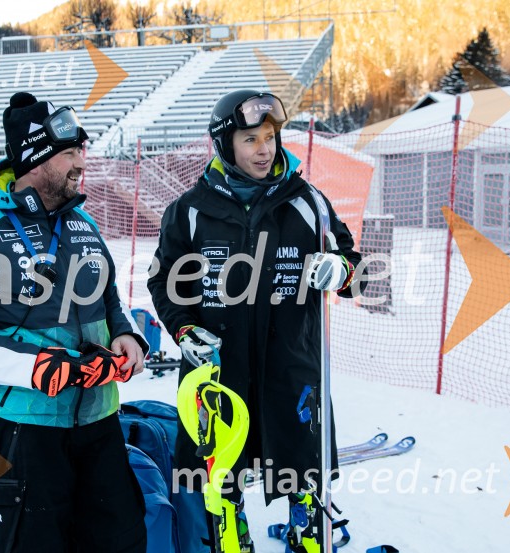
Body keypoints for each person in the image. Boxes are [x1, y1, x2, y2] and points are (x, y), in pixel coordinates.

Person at [0, 92, 148, 553]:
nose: (81, 162)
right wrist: (34, 366)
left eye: (80, 150)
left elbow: (109, 298)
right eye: (69, 153)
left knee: (122, 543)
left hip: (100, 425)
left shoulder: (84, 224)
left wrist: (127, 334)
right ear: (35, 159)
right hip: (25, 431)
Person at [147, 89, 366, 550]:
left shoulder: (308, 202)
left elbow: (353, 265)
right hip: (218, 371)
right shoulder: (190, 211)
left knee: (302, 470)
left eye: (269, 137)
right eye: (250, 140)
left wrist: (342, 270)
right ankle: (232, 537)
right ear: (225, 145)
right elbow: (165, 280)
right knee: (221, 478)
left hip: (291, 367)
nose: (264, 150)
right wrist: (184, 329)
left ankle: (308, 533)